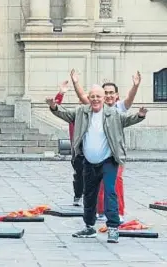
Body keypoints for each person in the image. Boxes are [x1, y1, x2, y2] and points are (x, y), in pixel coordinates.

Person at [46, 84, 147, 243]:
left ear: (103, 99)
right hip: (89, 162)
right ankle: (89, 227)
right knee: (89, 195)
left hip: (108, 161)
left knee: (110, 192)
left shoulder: (113, 113)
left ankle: (113, 228)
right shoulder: (81, 112)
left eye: (98, 96)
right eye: (92, 96)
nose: (95, 99)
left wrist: (140, 115)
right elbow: (64, 114)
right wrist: (53, 106)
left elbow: (127, 120)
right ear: (89, 98)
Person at [70, 69, 142, 222]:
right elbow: (83, 96)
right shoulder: (95, 105)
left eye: (111, 93)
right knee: (98, 184)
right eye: (106, 92)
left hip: (113, 154)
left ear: (116, 95)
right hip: (96, 155)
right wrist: (76, 83)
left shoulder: (120, 107)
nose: (109, 95)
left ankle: (119, 212)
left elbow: (130, 98)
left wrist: (135, 85)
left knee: (115, 182)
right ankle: (100, 211)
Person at [53, 80, 83, 206]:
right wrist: (61, 93)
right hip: (77, 151)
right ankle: (78, 195)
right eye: (82, 101)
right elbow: (57, 108)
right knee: (79, 175)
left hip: (92, 151)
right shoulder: (74, 115)